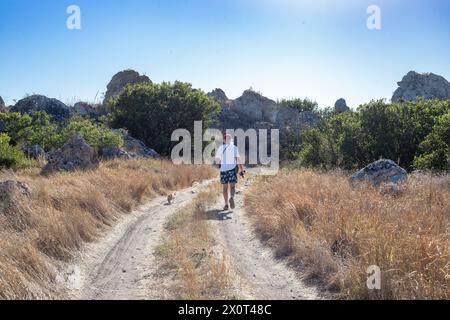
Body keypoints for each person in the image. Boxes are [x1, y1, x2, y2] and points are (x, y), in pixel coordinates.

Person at [216, 133, 245, 211]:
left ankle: (226, 204)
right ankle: (231, 196)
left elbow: (217, 160)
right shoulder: (234, 148)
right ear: (231, 140)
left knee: (225, 188)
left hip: (223, 170)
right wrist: (242, 170)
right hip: (232, 170)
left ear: (224, 140)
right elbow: (238, 160)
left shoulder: (221, 148)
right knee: (232, 186)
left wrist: (220, 164)